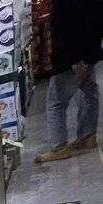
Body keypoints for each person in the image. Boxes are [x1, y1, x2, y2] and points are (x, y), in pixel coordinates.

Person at [35, 0, 102, 163]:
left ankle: (58, 147)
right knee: (89, 93)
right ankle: (87, 137)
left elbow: (64, 29)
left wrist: (66, 60)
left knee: (56, 103)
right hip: (90, 52)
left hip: (72, 58)